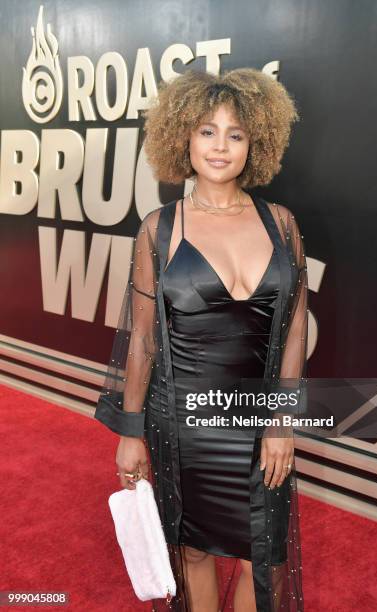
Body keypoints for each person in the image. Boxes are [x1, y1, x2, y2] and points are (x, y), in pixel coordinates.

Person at [95, 68, 308, 612]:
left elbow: (292, 334)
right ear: (182, 137)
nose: (219, 146)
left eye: (235, 134)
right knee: (192, 555)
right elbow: (142, 342)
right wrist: (131, 432)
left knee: (265, 559)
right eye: (206, 131)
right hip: (181, 424)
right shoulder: (158, 229)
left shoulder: (282, 225)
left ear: (254, 143)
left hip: (259, 420)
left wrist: (283, 423)